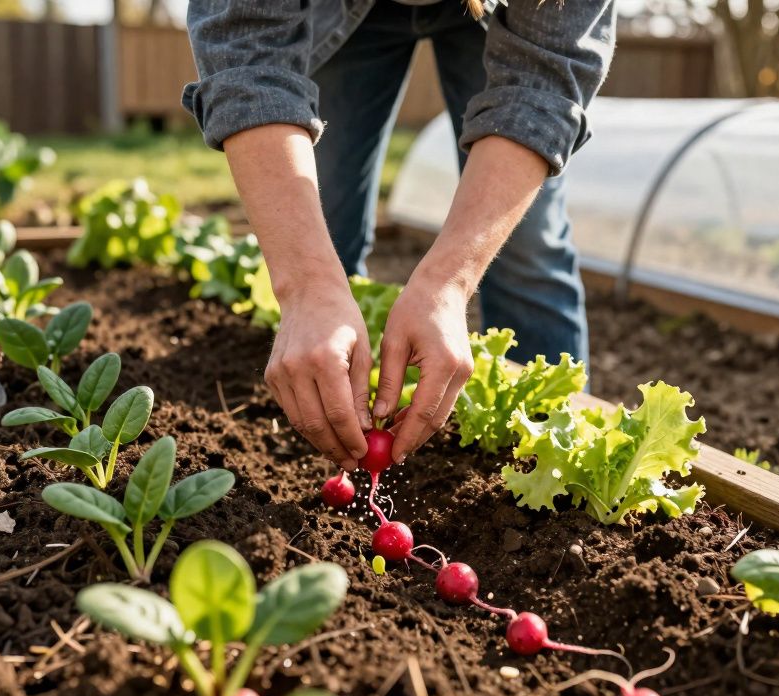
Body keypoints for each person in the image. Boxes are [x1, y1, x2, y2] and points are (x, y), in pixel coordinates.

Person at [183, 0, 614, 472]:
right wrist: (306, 285)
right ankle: (334, 436)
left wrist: (449, 284)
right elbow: (249, 63)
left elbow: (540, 90)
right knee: (323, 224)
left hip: (510, 13)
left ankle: (554, 466)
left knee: (527, 246)